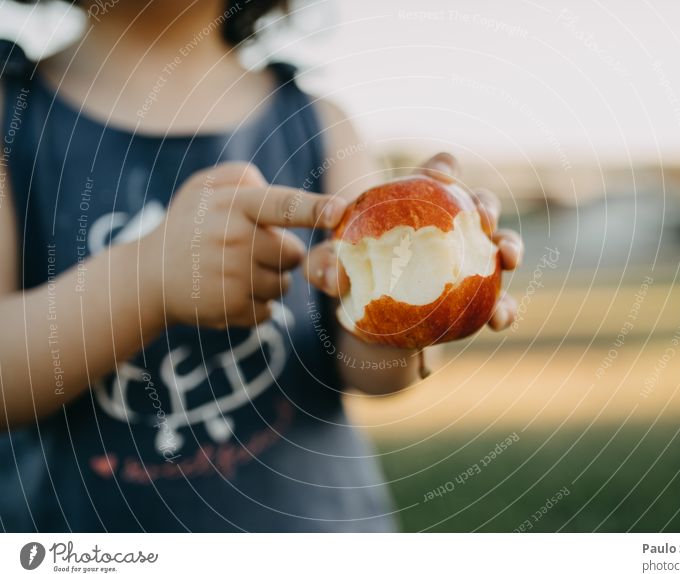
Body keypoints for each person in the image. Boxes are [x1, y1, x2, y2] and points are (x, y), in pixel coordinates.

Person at [0, 0, 523, 532]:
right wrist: (147, 280)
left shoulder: (318, 123)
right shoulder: (11, 119)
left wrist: (406, 317)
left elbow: (363, 368)